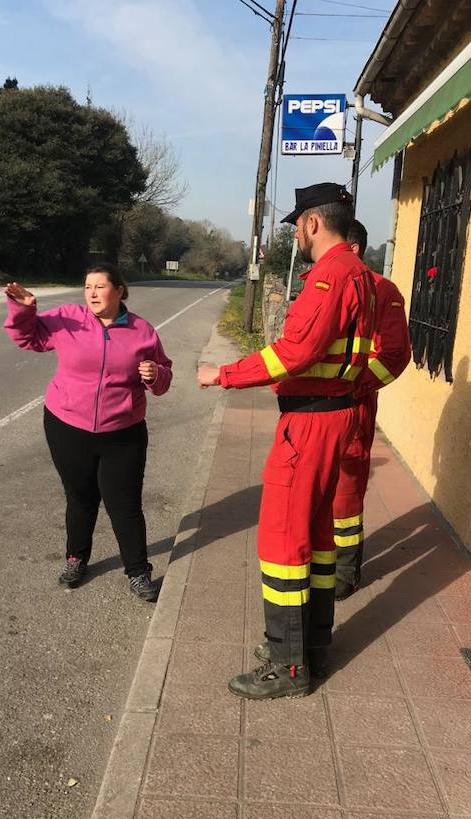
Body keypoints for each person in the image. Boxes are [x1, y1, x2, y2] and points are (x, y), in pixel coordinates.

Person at [197, 183, 376, 699]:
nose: (296, 233)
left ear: (313, 224)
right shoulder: (362, 275)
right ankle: (311, 648)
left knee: (282, 542)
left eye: (297, 225)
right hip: (337, 416)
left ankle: (287, 665)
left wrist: (223, 375)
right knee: (319, 542)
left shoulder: (329, 276)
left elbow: (293, 353)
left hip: (312, 425)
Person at [3, 264, 172, 599]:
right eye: (87, 287)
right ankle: (76, 558)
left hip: (123, 432)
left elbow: (164, 376)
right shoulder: (69, 318)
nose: (92, 293)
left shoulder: (142, 331)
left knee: (124, 504)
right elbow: (28, 337)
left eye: (100, 286)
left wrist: (154, 374)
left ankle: (138, 573)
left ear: (119, 290)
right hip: (67, 426)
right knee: (80, 497)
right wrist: (24, 309)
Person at [333, 220, 412, 600]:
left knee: (346, 490)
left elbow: (394, 354)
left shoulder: (382, 291)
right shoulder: (326, 284)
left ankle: (345, 570)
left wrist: (356, 386)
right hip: (315, 411)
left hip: (352, 408)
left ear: (354, 248)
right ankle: (322, 560)